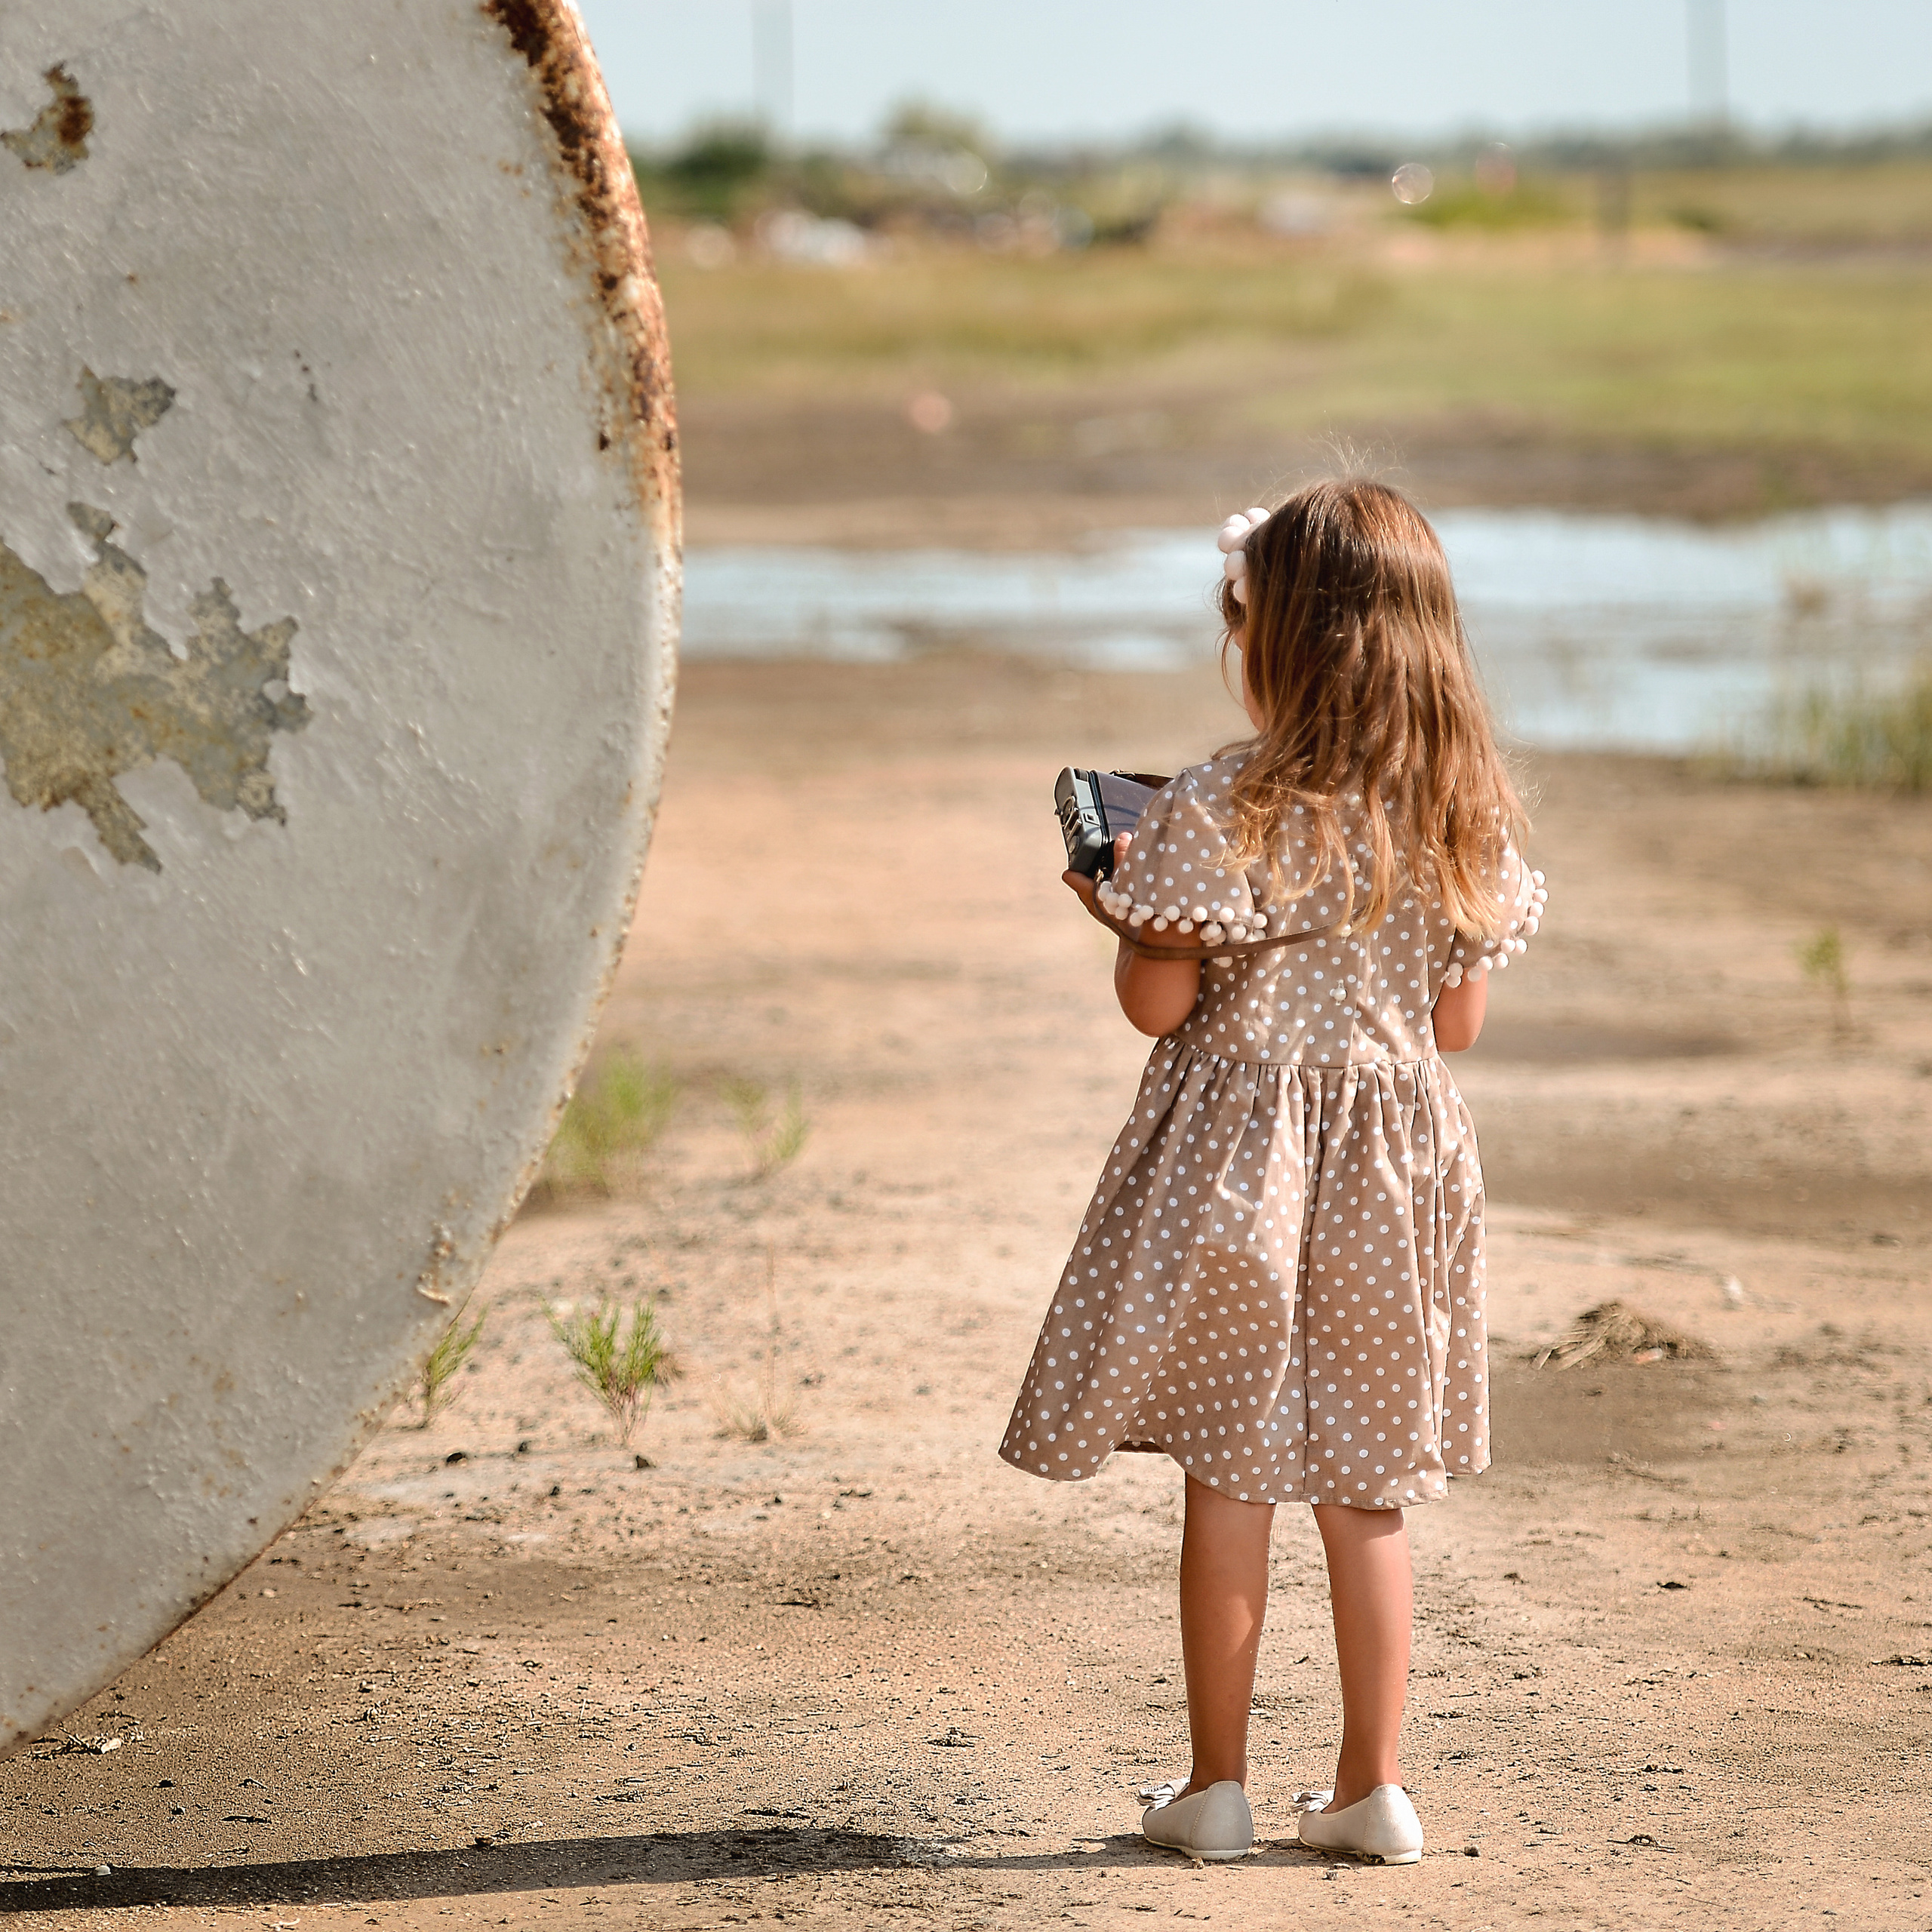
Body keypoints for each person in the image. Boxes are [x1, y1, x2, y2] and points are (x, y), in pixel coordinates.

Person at [1000, 478, 1547, 1865]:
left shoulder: (1212, 806)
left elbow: (1159, 1006)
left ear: (1278, 640)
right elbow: (1454, 1027)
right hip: (1388, 1177)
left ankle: (1218, 1788)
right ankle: (1374, 1790)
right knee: (1368, 1491)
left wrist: (1119, 905)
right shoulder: (1459, 814)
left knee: (1230, 1477)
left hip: (1238, 1177)